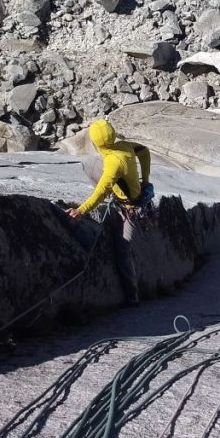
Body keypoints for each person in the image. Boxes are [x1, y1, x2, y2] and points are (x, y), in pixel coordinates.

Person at [66, 119, 154, 306]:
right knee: (90, 165)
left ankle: (132, 296)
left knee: (123, 250)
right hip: (125, 190)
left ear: (96, 142)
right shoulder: (122, 146)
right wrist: (145, 180)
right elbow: (144, 151)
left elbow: (102, 189)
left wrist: (81, 211)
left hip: (130, 207)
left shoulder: (114, 162)